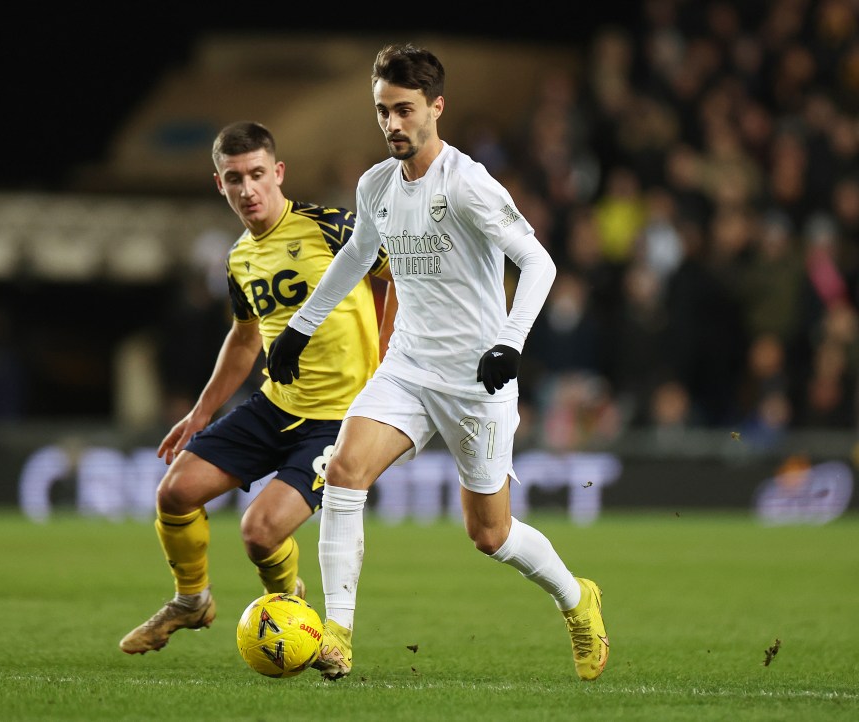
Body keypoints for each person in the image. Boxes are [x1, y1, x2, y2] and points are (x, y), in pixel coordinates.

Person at [267, 43, 609, 682]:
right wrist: (300, 328)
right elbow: (356, 257)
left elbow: (540, 263)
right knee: (343, 472)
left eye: (403, 110)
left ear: (436, 108)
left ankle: (576, 597)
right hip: (406, 369)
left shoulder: (468, 183)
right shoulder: (376, 185)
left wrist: (510, 341)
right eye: (382, 112)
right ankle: (337, 632)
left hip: (476, 380)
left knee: (491, 535)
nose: (392, 124)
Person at [119, 121, 396, 655]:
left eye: (257, 175)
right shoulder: (239, 259)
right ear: (218, 185)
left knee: (259, 532)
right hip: (274, 403)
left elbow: (402, 275)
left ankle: (292, 617)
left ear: (279, 173)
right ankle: (191, 599)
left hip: (340, 420)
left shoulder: (330, 227)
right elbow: (245, 341)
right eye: (234, 178)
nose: (248, 189)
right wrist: (201, 413)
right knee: (174, 492)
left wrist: (389, 357)